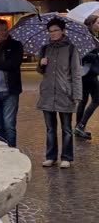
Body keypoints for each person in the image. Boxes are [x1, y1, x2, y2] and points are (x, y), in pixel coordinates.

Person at [37, 18, 82, 169]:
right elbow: (41, 71)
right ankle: (51, 157)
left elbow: (76, 73)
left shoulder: (71, 48)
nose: (53, 34)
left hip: (65, 93)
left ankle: (66, 157)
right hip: (48, 93)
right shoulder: (45, 48)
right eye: (50, 31)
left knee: (67, 129)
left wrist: (77, 94)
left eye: (56, 30)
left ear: (63, 31)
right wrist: (41, 64)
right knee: (50, 129)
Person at [0, 19, 24, 147]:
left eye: (5, 29)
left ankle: (12, 151)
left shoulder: (16, 45)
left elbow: (13, 65)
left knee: (9, 124)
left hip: (10, 91)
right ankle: (2, 151)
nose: (3, 32)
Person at [74, 14, 99, 140]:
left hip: (88, 73)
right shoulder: (86, 37)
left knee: (83, 101)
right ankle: (81, 124)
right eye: (98, 23)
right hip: (89, 74)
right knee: (96, 100)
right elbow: (83, 55)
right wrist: (97, 55)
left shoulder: (92, 36)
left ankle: (78, 127)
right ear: (91, 23)